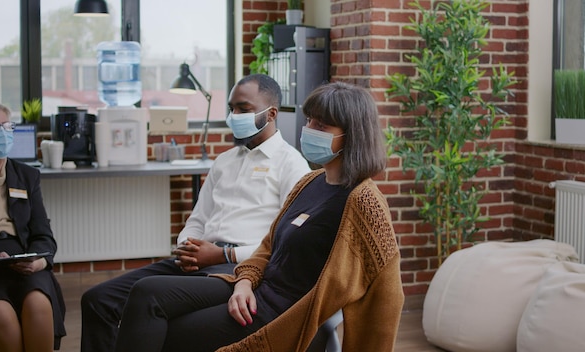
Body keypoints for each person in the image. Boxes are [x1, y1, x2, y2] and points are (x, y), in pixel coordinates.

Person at [113, 82, 404, 352]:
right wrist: (243, 283)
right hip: (256, 290)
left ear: (351, 135)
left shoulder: (363, 201)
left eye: (321, 125)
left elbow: (385, 298)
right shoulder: (310, 183)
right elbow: (268, 247)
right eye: (309, 120)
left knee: (169, 332)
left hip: (283, 313)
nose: (308, 129)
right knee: (145, 292)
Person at [80, 74, 311, 352]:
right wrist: (187, 248)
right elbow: (198, 219)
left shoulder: (292, 166)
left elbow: (284, 244)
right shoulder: (224, 162)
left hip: (237, 268)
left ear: (271, 113)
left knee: (148, 294)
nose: (234, 115)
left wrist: (223, 255)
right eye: (231, 108)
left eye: (243, 109)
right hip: (200, 259)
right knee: (97, 298)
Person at [0, 103, 66, 351]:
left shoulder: (27, 176)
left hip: (24, 259)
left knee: (38, 304)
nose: (2, 134)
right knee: (0, 314)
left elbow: (43, 235)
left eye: (7, 127)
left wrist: (39, 262)